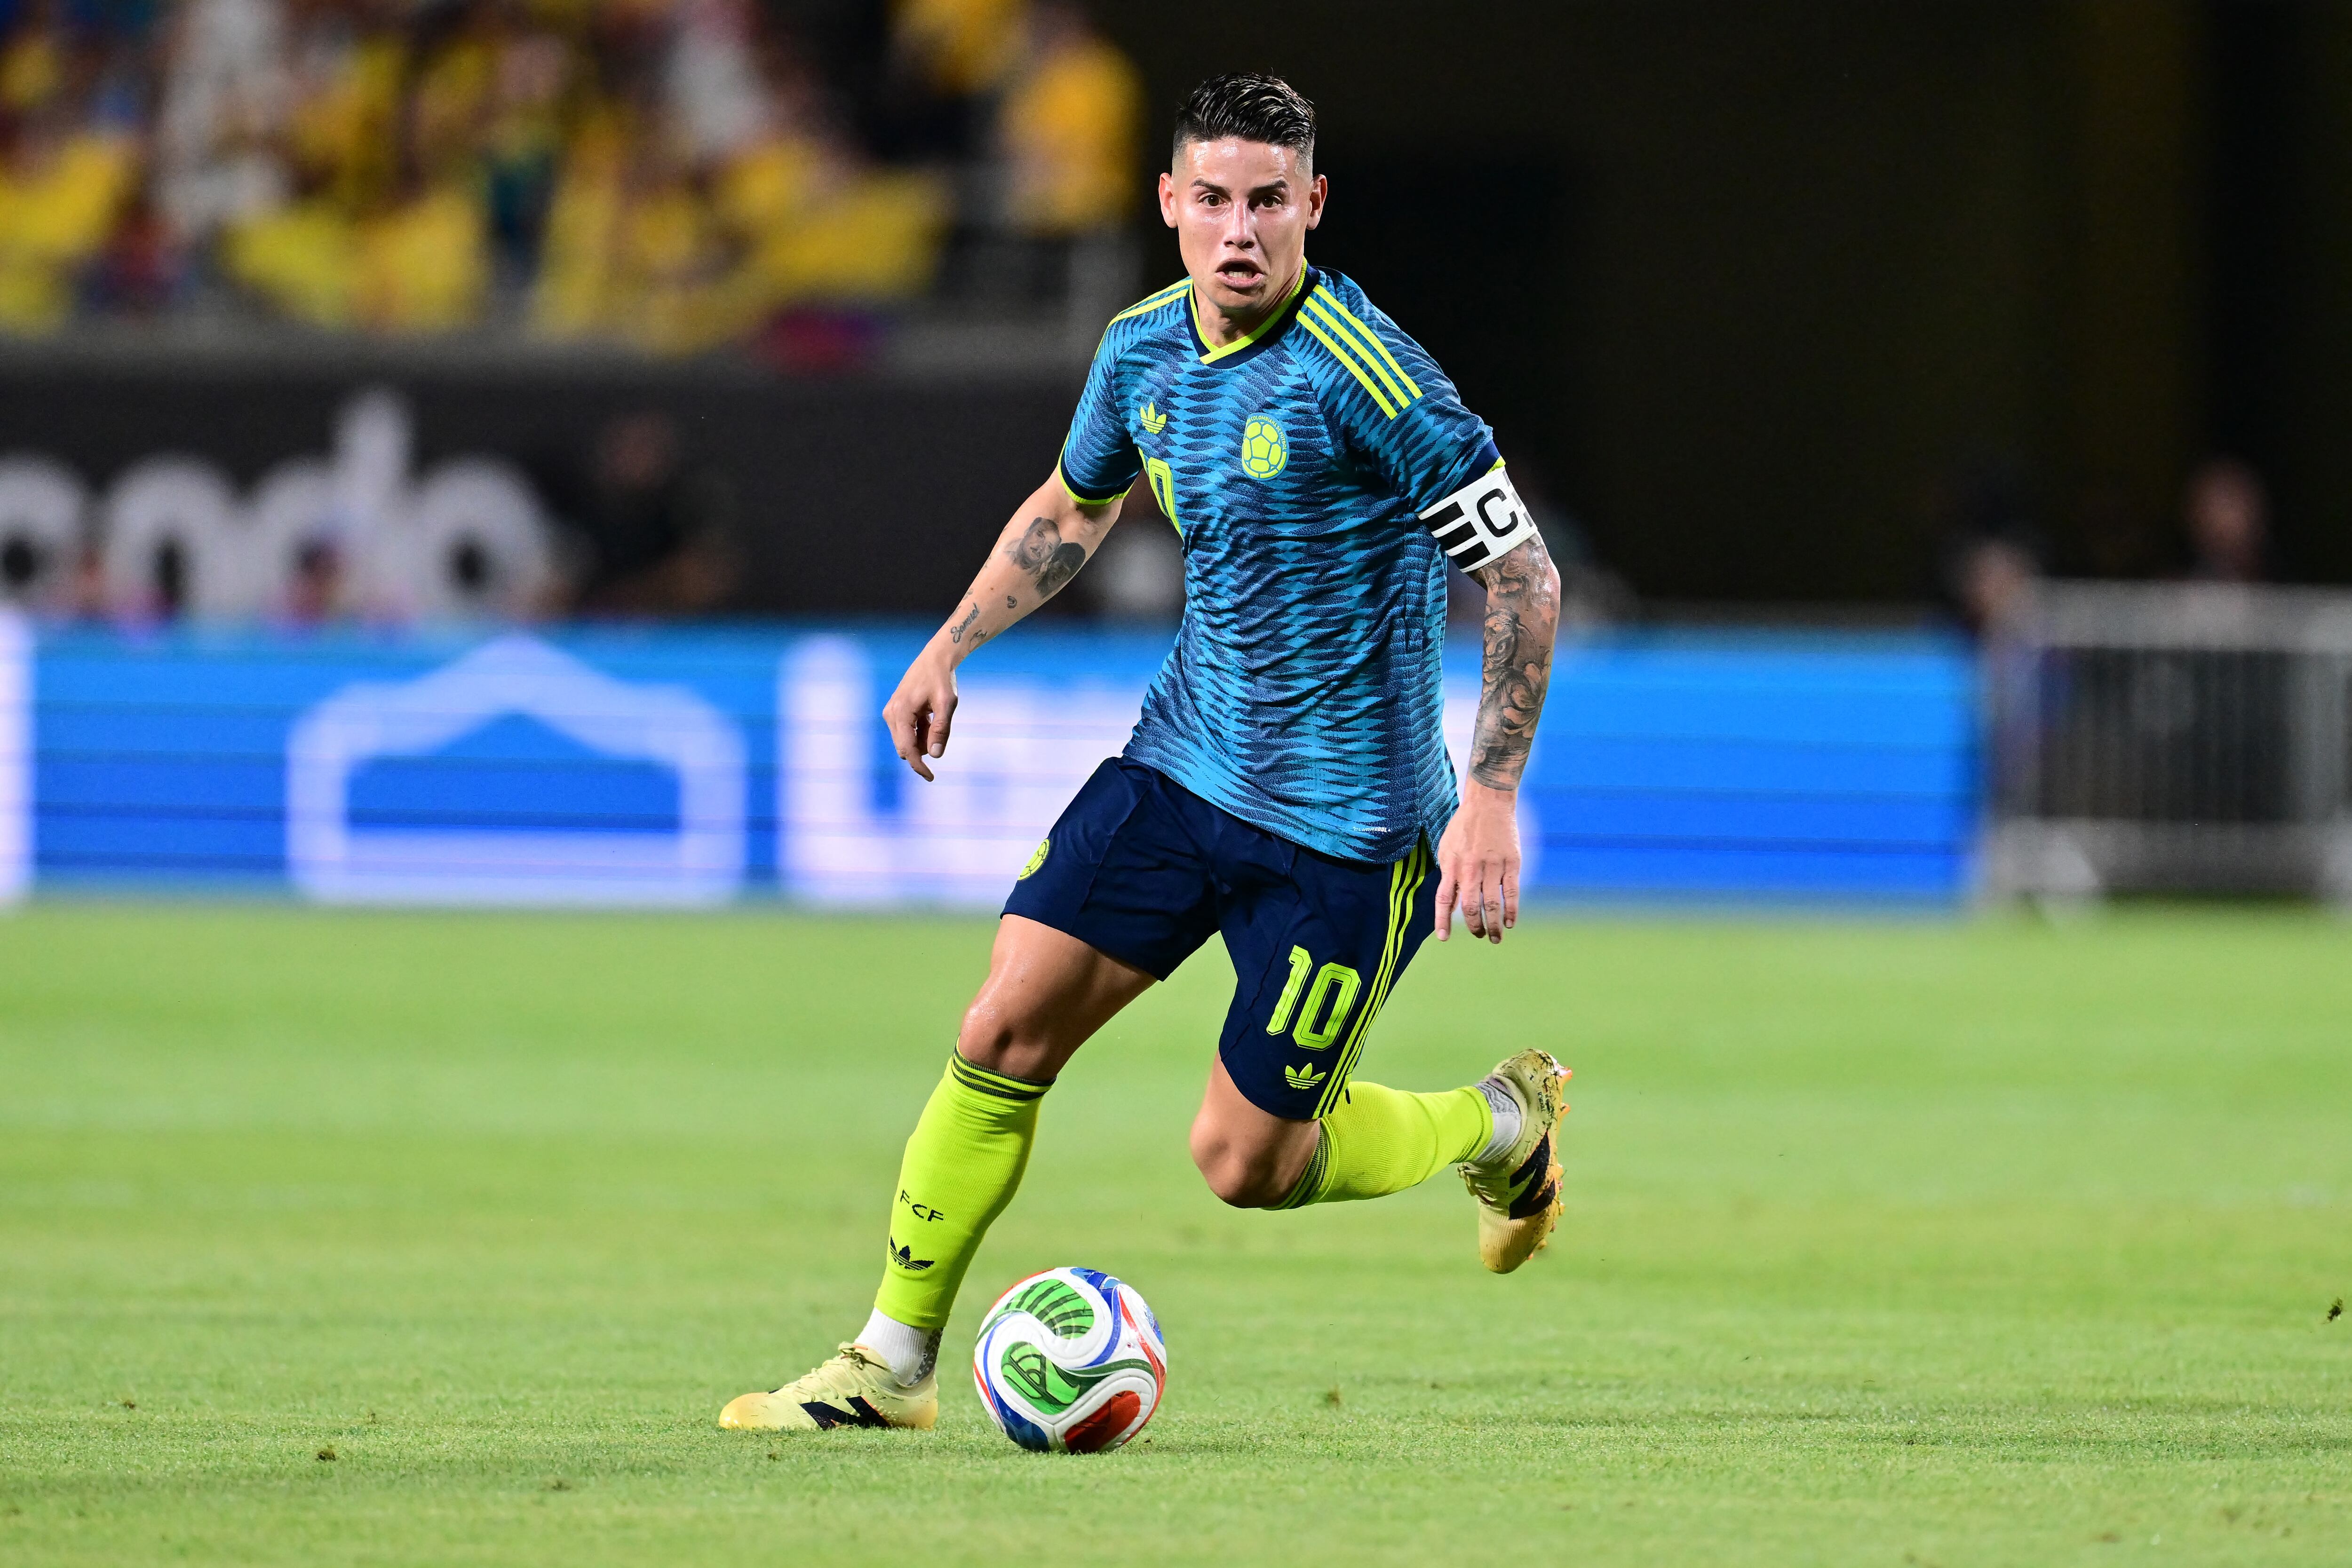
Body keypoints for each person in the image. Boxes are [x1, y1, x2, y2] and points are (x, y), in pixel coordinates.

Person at [720, 73, 1569, 1434]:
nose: (1242, 231)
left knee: (1245, 1164)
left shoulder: (1380, 380)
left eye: (1270, 202)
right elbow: (1075, 500)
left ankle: (1499, 1127)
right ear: (1169, 204)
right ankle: (891, 1363)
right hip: (1179, 768)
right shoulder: (1141, 351)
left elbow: (1524, 577)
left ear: (1313, 207)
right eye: (1215, 200)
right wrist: (951, 644)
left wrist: (1490, 792)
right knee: (1001, 1021)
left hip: (1345, 834)